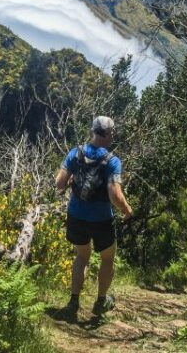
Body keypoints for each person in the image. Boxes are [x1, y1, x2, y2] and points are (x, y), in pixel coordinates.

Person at [55, 115, 133, 317]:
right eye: (112, 132)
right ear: (108, 134)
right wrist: (126, 209)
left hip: (76, 216)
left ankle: (73, 302)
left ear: (92, 131)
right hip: (101, 220)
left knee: (82, 256)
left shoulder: (76, 153)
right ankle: (100, 302)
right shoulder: (112, 161)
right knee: (107, 259)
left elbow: (59, 183)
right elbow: (115, 195)